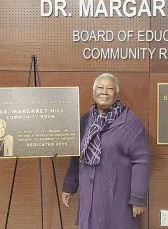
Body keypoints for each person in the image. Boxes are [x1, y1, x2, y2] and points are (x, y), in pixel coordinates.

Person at [62, 73, 150, 229]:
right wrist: (69, 186)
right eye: (100, 88)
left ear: (116, 95)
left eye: (110, 88)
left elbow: (141, 161)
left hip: (116, 197)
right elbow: (77, 155)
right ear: (94, 92)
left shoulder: (131, 123)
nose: (104, 92)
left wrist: (138, 198)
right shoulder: (85, 120)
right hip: (89, 198)